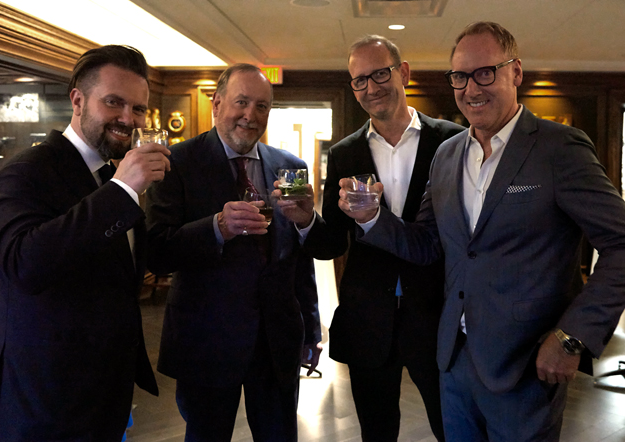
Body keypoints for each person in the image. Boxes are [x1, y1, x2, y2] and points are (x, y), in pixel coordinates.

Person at [353, 22, 625, 441]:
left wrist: (572, 337)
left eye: (485, 73)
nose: (471, 88)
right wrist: (372, 217)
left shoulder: (559, 149)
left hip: (526, 365)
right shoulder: (446, 155)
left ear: (515, 72)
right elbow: (428, 243)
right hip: (454, 363)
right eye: (460, 77)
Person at [276, 35, 463, 441]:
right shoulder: (344, 153)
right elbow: (332, 243)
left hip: (436, 314)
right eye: (360, 80)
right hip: (368, 319)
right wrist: (305, 219)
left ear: (404, 73)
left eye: (380, 74)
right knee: (376, 432)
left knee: (453, 427)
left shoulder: (452, 141)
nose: (371, 87)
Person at [0, 45, 170, 441]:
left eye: (138, 108)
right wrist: (122, 190)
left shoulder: (109, 176)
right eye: (113, 102)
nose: (128, 119)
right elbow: (22, 265)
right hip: (44, 405)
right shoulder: (26, 171)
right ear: (78, 100)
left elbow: (125, 266)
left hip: (104, 396)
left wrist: (219, 226)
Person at [145, 63, 321, 442]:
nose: (250, 115)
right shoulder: (177, 163)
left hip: (276, 341)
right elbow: (157, 251)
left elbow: (298, 258)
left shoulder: (290, 167)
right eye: (241, 102)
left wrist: (310, 326)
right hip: (207, 340)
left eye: (262, 106)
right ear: (217, 103)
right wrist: (217, 228)